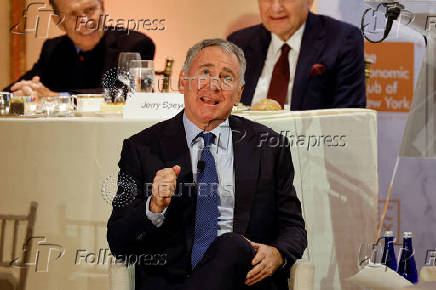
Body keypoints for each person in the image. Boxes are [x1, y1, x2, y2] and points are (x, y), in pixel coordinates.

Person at [107, 38, 307, 290]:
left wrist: (278, 253)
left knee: (232, 245)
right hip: (172, 281)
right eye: (205, 73)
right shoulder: (142, 148)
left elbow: (294, 227)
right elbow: (118, 241)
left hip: (246, 280)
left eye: (226, 78)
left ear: (238, 94)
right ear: (183, 82)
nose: (213, 86)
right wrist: (154, 206)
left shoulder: (269, 147)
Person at [227, 0, 366, 110]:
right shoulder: (239, 43)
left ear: (309, 1)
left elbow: (348, 116)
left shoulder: (341, 40)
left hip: (313, 143)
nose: (276, 8)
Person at [5, 0, 155, 97]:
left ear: (102, 7)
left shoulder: (136, 45)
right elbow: (21, 85)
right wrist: (24, 90)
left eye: (90, 10)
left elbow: (127, 93)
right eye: (72, 14)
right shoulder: (53, 49)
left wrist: (58, 97)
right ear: (58, 21)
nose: (85, 21)